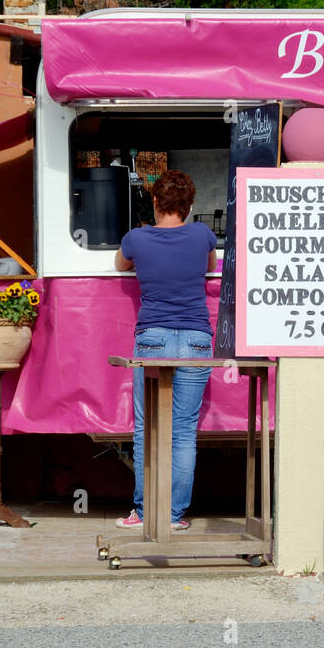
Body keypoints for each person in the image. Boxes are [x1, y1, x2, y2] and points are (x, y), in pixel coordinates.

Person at [113, 170, 217, 531]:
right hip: (196, 340)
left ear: (155, 202)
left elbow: (119, 264)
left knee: (147, 428)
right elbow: (211, 268)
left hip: (153, 337)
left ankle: (143, 513)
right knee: (184, 430)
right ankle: (174, 517)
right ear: (189, 207)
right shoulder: (203, 235)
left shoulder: (136, 238)